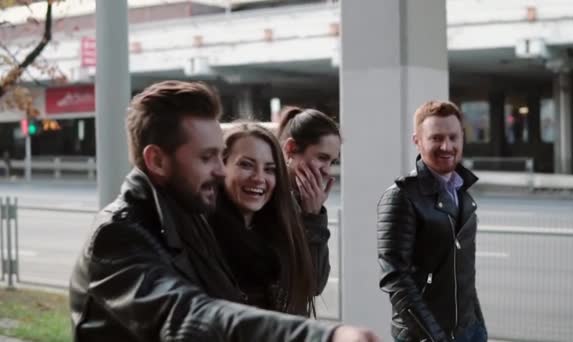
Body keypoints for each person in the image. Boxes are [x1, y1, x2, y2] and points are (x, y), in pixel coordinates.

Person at [69, 80, 379, 342]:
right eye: (207, 158)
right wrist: (323, 337)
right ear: (157, 161)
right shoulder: (120, 233)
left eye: (221, 156)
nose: (221, 171)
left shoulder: (187, 217)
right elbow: (188, 313)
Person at [376, 100, 486, 342]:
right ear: (417, 140)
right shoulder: (401, 196)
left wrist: (479, 325)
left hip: (469, 332)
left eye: (453, 137)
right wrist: (435, 337)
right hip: (424, 337)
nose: (446, 146)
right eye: (436, 138)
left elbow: (462, 273)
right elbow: (395, 278)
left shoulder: (462, 193)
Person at [210, 122, 318, 316]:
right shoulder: (203, 236)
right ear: (221, 166)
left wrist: (313, 220)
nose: (259, 178)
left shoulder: (281, 228)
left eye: (269, 169)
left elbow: (311, 285)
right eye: (246, 165)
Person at [276, 107, 341, 295]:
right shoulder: (266, 198)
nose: (327, 170)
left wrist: (314, 216)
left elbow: (315, 285)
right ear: (291, 149)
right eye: (322, 158)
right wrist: (312, 219)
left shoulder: (303, 203)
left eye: (332, 162)